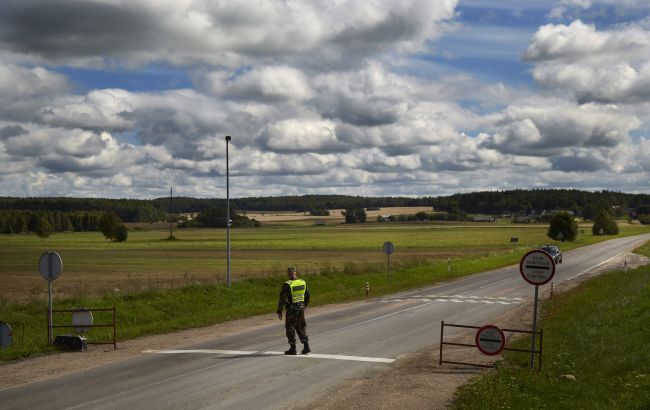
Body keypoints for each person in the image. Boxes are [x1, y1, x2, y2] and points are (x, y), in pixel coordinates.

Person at [277, 267, 310, 355]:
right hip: (301, 308)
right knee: (301, 326)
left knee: (290, 327)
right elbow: (307, 295)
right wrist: (304, 305)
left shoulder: (287, 284)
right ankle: (306, 346)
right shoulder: (302, 282)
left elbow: (282, 299)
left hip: (292, 309)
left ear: (288, 274)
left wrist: (279, 311)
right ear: (296, 273)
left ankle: (293, 348)